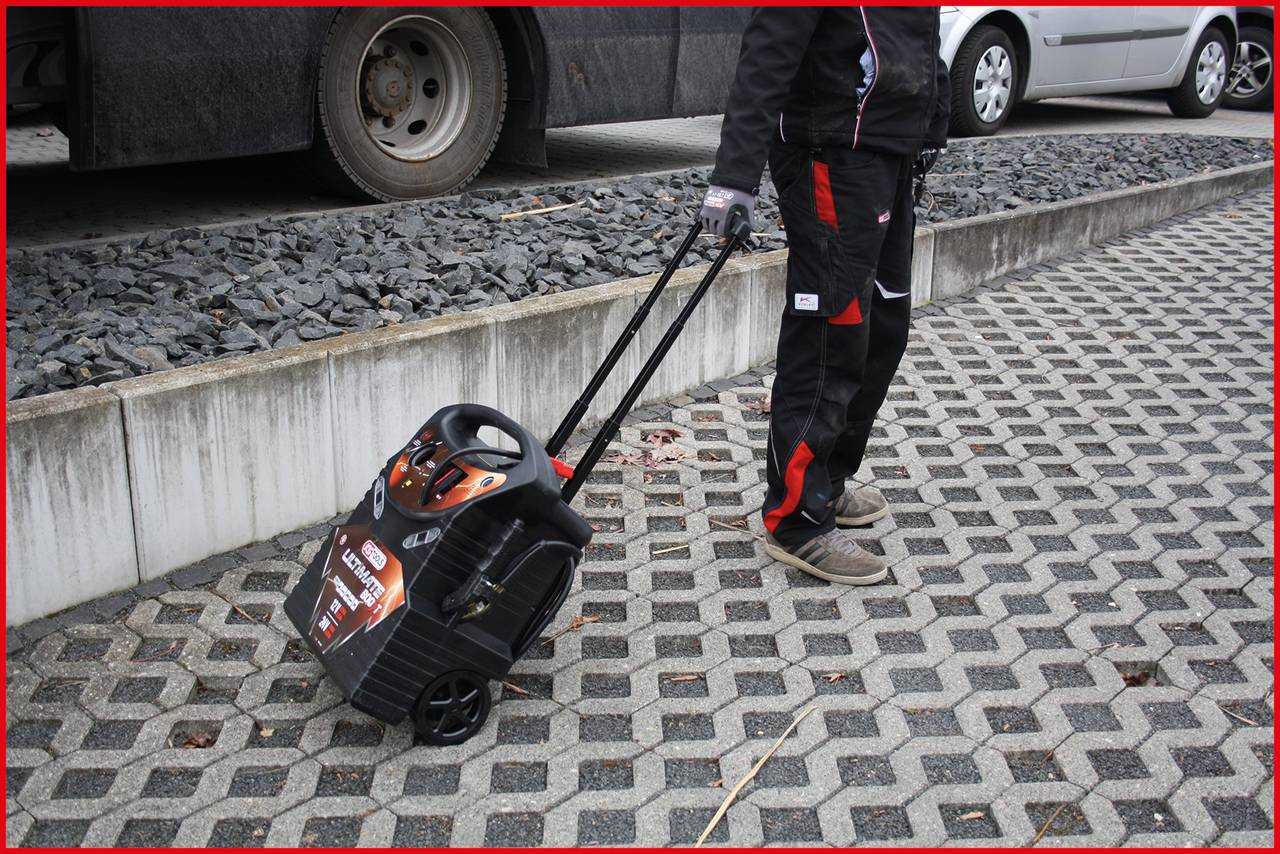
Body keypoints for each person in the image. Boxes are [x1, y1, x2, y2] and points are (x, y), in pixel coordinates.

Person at [700, 7, 949, 585]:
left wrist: (931, 122)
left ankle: (828, 484)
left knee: (883, 329)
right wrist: (734, 178)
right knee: (830, 338)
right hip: (828, 151)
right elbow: (766, 57)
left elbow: (919, 36)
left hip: (890, 149)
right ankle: (796, 520)